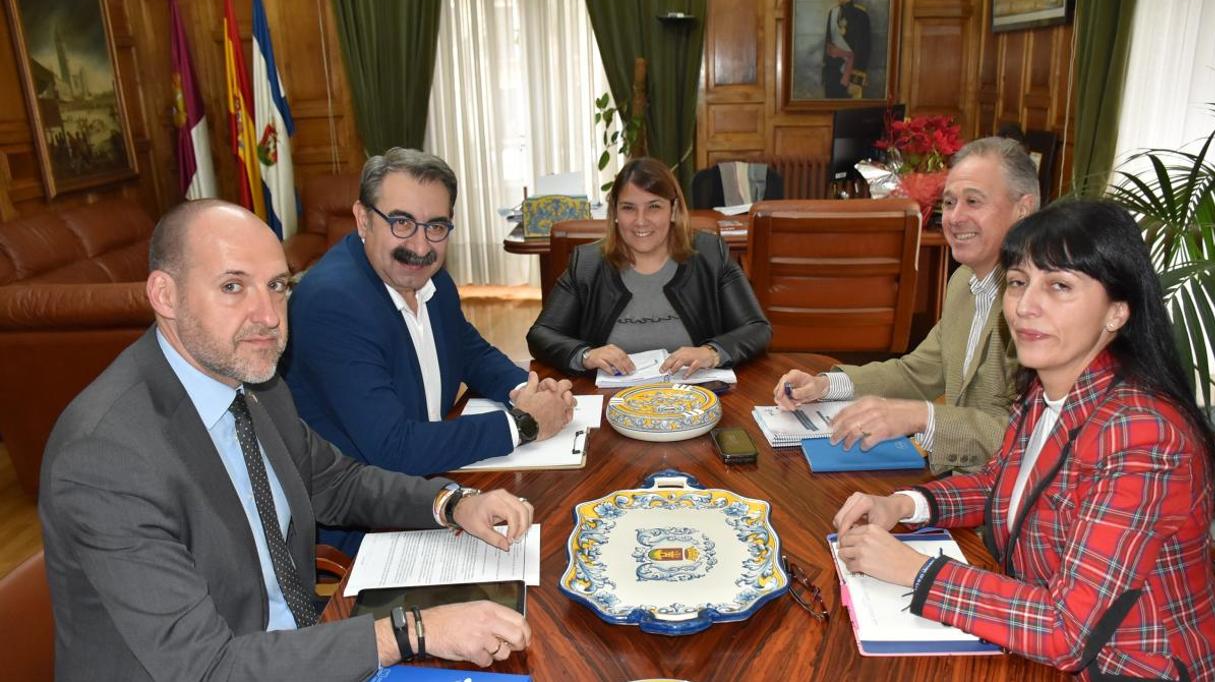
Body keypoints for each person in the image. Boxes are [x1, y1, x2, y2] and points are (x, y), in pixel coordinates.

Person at [39, 200, 536, 681]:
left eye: (276, 286)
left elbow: (335, 482)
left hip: (303, 644)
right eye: (233, 286)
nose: (270, 316)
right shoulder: (106, 456)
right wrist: (412, 632)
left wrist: (453, 503)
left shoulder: (253, 381)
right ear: (165, 295)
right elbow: (207, 667)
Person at [832, 200, 1215, 680]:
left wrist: (915, 572)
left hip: (1135, 667)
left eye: (1059, 286)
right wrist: (903, 505)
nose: (1025, 306)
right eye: (1019, 282)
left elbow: (1069, 631)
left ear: (1116, 313)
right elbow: (1001, 486)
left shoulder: (1142, 432)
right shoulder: (1049, 392)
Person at [283, 148, 574, 553]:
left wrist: (526, 390)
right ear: (363, 219)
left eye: (436, 227)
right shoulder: (332, 303)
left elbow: (471, 351)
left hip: (437, 480)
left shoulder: (429, 280)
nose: (420, 246)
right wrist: (524, 425)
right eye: (402, 223)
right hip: (370, 526)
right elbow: (394, 449)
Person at [774, 137, 1038, 475]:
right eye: (950, 202)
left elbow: (1029, 438)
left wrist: (919, 416)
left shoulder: (1039, 308)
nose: (954, 218)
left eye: (973, 201)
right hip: (955, 486)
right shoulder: (963, 285)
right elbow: (916, 373)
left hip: (1005, 503)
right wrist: (824, 386)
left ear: (1023, 209)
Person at [526, 156, 772, 377]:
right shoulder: (588, 263)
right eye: (628, 208)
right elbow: (541, 335)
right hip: (611, 403)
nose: (640, 221)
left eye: (654, 206)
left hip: (693, 397)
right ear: (615, 212)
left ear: (673, 210)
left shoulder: (709, 254)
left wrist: (712, 352)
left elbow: (757, 329)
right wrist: (586, 355)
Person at [823, 0, 871, 99]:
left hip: (850, 78)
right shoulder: (832, 13)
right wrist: (826, 77)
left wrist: (856, 82)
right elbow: (828, 47)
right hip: (832, 78)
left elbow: (864, 50)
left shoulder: (861, 15)